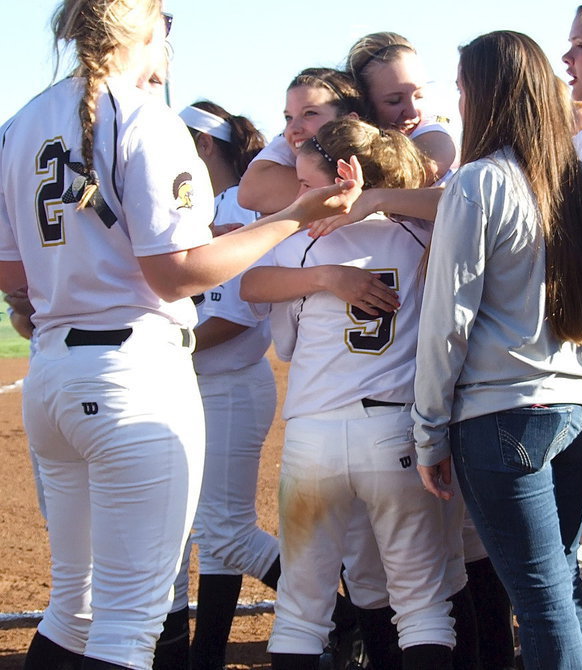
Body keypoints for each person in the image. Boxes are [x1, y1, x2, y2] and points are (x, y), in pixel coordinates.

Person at [0, 1, 361, 667]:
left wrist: (50, 298)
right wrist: (295, 215)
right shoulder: (146, 118)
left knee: (73, 608)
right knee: (127, 624)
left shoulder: (21, 122)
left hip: (54, 371)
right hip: (131, 376)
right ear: (144, 28)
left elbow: (13, 272)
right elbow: (177, 276)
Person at [413, 30, 582, 670]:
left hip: (503, 414)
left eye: (463, 86)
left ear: (484, 93)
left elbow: (447, 321)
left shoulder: (478, 183)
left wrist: (427, 431)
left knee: (543, 601)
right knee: (558, 588)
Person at [241, 117, 458, 670]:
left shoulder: (303, 245)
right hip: (395, 433)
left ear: (343, 176)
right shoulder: (420, 235)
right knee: (422, 607)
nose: (298, 194)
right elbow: (457, 201)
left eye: (305, 182)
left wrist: (322, 279)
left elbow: (263, 308)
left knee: (299, 610)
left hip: (312, 437)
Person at [174, 100, 282, 670]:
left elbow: (232, 317)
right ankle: (207, 652)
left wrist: (166, 348)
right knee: (214, 535)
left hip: (232, 386)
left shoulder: (238, 203)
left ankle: (348, 614)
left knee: (228, 533)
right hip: (213, 387)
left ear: (205, 146)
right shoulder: (209, 207)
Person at [238, 68, 363, 215]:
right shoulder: (289, 141)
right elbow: (249, 193)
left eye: (310, 113)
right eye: (288, 118)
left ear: (349, 121)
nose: (293, 129)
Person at [346, 32, 457, 183]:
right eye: (394, 101)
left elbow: (421, 172)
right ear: (363, 100)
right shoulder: (347, 138)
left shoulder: (431, 130)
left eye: (419, 96)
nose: (412, 113)